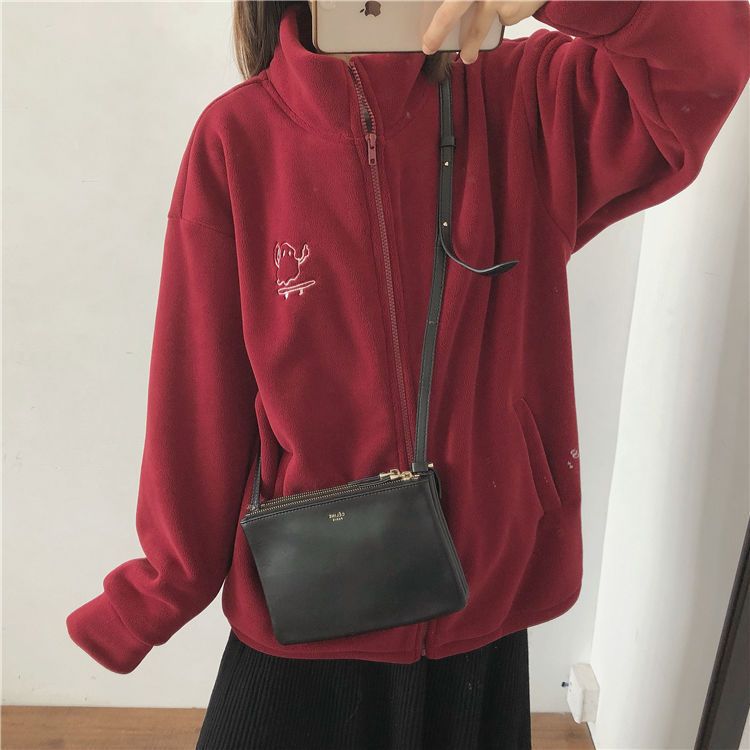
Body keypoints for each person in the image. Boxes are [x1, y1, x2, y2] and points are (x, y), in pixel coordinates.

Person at [65, 1, 750, 748]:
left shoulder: (527, 102)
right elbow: (200, 387)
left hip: (478, 607)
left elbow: (708, 56)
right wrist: (162, 587)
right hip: (310, 603)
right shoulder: (238, 139)